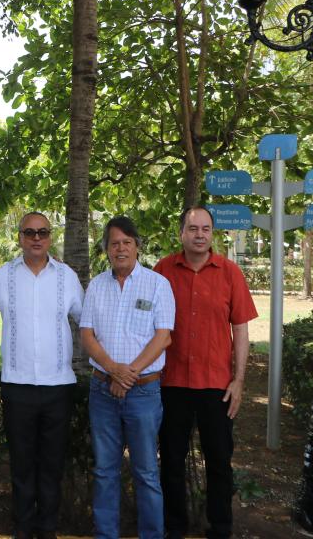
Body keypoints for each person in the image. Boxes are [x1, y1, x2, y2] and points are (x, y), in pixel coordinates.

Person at [154, 207, 257, 539]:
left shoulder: (229, 273)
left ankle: (220, 529)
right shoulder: (163, 271)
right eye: (193, 228)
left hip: (217, 387)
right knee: (170, 463)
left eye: (206, 229)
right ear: (181, 232)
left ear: (212, 234)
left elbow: (240, 329)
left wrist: (239, 380)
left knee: (218, 464)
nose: (200, 234)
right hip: (171, 384)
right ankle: (174, 529)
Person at [0, 212, 83, 539]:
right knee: (22, 465)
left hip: (58, 387)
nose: (36, 238)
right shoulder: (3, 277)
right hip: (18, 387)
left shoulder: (66, 277)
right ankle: (24, 529)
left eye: (42, 232)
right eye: (29, 232)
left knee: (52, 465)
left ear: (50, 237)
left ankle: (48, 530)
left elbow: (88, 320)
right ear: (20, 237)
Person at [79, 216, 175, 539]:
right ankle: (106, 534)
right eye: (114, 243)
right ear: (106, 249)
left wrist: (127, 375)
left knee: (146, 472)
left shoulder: (157, 284)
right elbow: (87, 336)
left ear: (137, 246)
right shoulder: (96, 285)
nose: (120, 248)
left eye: (126, 242)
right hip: (103, 392)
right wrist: (113, 370)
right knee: (105, 471)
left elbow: (163, 337)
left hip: (143, 395)